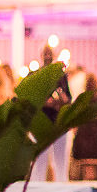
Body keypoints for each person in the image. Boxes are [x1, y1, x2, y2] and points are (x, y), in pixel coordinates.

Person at [30, 45, 73, 182]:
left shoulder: (61, 75)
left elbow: (68, 99)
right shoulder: (36, 75)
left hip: (59, 121)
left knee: (60, 161)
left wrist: (59, 100)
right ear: (41, 56)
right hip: (42, 122)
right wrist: (47, 103)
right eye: (45, 54)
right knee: (40, 161)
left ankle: (62, 187)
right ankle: (38, 190)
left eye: (50, 54)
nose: (48, 57)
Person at [70, 73, 97, 180]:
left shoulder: (88, 97)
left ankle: (88, 178)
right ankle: (90, 178)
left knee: (88, 160)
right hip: (91, 130)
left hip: (89, 130)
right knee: (89, 159)